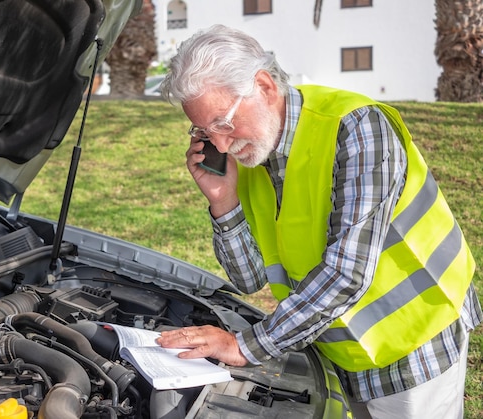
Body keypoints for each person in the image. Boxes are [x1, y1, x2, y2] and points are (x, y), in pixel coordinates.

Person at [156, 24, 482, 419]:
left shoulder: (359, 128)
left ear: (264, 85)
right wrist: (223, 202)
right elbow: (249, 280)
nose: (220, 144)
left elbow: (348, 273)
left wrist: (245, 346)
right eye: (204, 131)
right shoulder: (253, 153)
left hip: (415, 343)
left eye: (223, 122)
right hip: (335, 346)